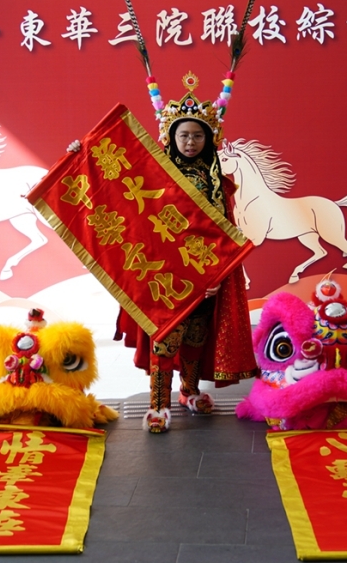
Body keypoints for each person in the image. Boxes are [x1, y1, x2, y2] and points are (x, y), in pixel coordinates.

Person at [113, 85, 258, 434]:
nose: (190, 142)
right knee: (165, 341)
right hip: (162, 274)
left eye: (197, 136)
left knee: (195, 338)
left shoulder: (217, 182)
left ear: (209, 140)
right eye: (184, 135)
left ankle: (189, 392)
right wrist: (80, 153)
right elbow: (113, 188)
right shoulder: (152, 174)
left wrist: (216, 276)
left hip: (204, 276)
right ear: (171, 138)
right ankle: (158, 406)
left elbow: (223, 234)